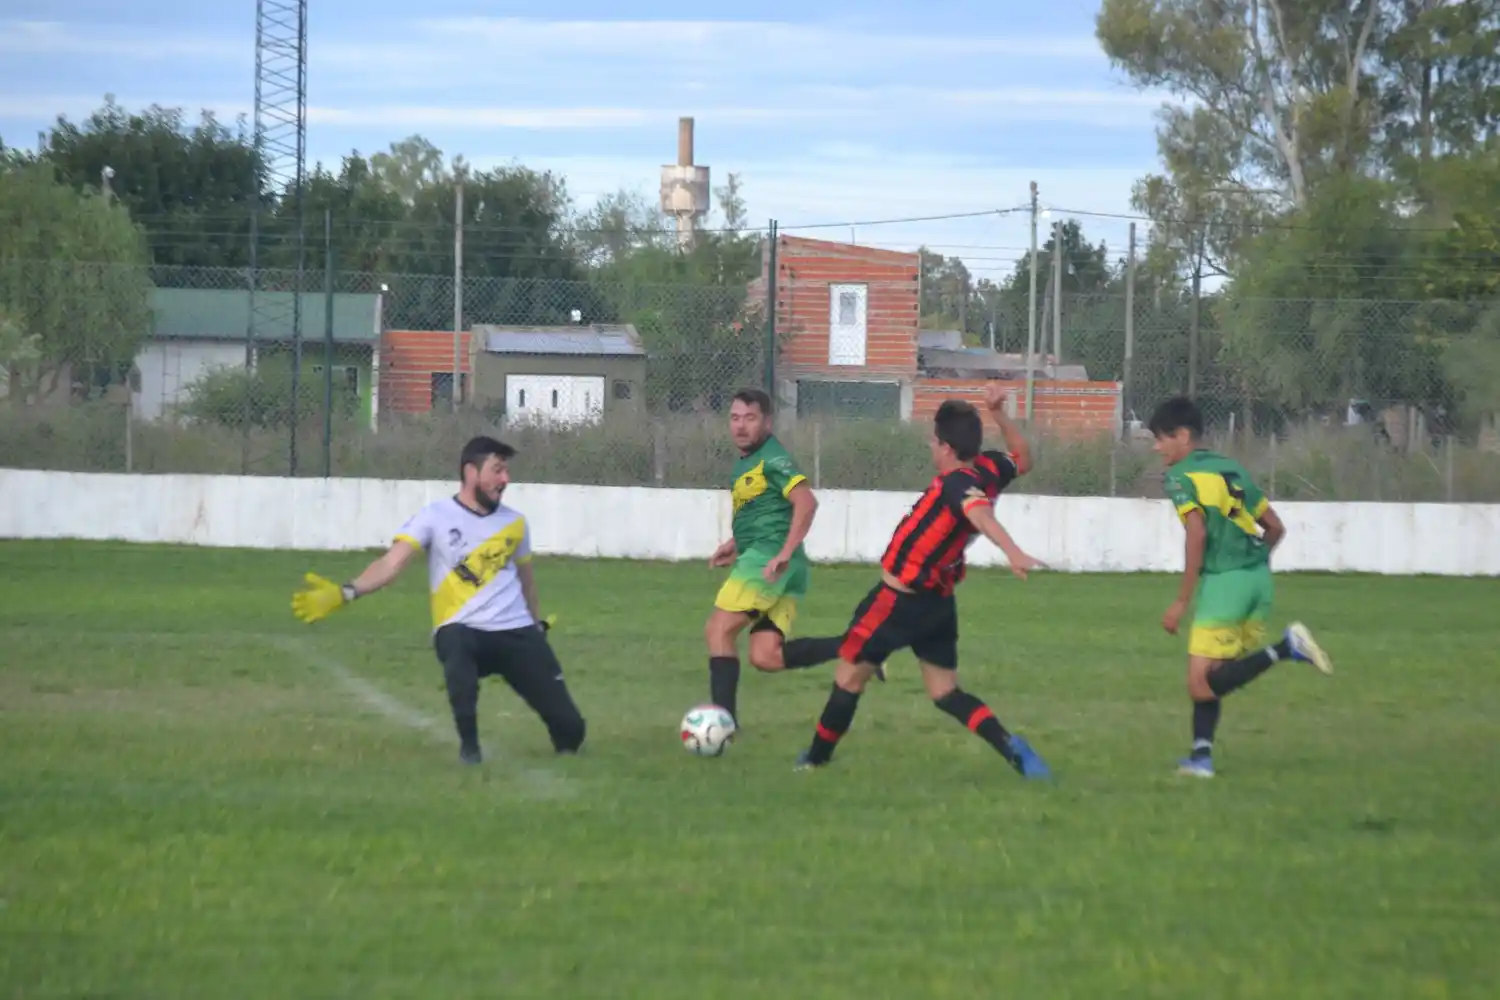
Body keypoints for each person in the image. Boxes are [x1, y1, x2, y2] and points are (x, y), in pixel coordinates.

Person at [790, 384, 1051, 778]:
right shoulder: (989, 469)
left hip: (897, 602)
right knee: (945, 692)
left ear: (947, 447)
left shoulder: (957, 484)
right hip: (937, 603)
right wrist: (1000, 414)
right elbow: (1024, 459)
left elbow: (978, 512)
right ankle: (1012, 748)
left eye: (934, 440)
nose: (931, 446)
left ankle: (814, 761)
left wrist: (1011, 550)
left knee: (848, 677)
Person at [290, 435, 585, 766]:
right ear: (470, 472)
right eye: (497, 470)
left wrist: (536, 627)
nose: (506, 480)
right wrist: (347, 592)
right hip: (463, 629)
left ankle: (566, 743)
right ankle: (470, 749)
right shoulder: (435, 516)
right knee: (456, 644)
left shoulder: (515, 523)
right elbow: (391, 563)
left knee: (572, 732)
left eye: (507, 472)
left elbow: (526, 581)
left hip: (515, 631)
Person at [1149, 395, 1333, 779]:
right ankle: (1201, 758)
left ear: (1182, 436)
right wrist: (1252, 563)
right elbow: (1275, 527)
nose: (1156, 446)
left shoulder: (1180, 476)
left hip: (1226, 583)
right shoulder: (1229, 469)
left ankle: (1286, 648)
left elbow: (1195, 533)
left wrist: (1182, 600)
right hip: (1257, 581)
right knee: (1213, 676)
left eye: (1161, 438)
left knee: (1201, 683)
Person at [704, 388, 853, 729]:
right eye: (735, 418)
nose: (740, 426)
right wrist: (736, 543)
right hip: (778, 562)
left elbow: (806, 502)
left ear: (767, 422)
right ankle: (857, 646)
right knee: (765, 656)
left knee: (718, 631)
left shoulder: (773, 459)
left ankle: (722, 727)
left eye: (750, 418)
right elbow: (767, 513)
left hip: (770, 562)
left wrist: (783, 552)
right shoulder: (749, 462)